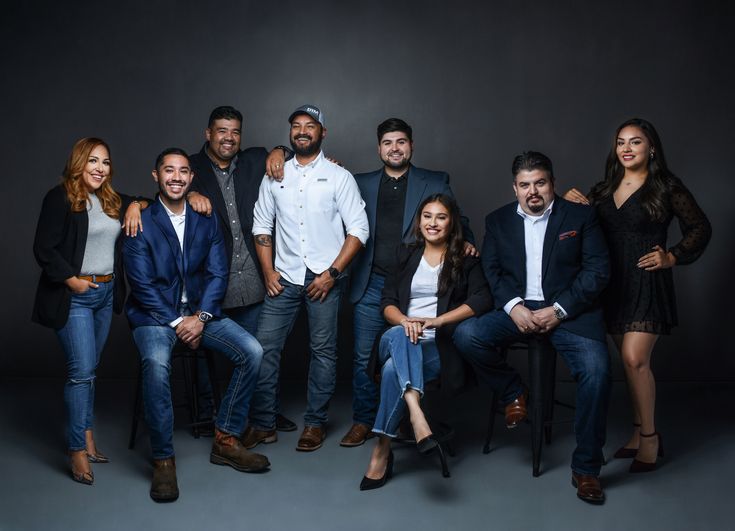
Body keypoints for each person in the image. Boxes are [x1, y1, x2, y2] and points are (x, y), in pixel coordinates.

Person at [453, 151, 611, 504]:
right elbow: (492, 271)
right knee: (466, 335)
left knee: (598, 371)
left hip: (571, 312)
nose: (533, 191)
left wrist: (559, 310)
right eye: (525, 185)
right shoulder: (497, 221)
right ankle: (513, 392)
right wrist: (513, 307)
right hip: (519, 310)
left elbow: (597, 272)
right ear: (515, 188)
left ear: (552, 183)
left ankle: (586, 468)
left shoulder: (581, 217)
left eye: (540, 183)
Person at [564, 118, 711, 472]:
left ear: (652, 148)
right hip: (611, 285)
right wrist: (569, 203)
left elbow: (701, 227)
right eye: (621, 142)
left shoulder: (666, 186)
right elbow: (579, 231)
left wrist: (672, 256)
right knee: (628, 367)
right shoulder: (603, 189)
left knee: (635, 359)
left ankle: (650, 438)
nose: (627, 149)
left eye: (636, 142)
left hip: (646, 281)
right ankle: (636, 432)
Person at [123, 148, 269, 503]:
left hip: (201, 314)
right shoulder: (141, 219)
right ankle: (163, 459)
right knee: (157, 365)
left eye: (184, 171)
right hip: (154, 317)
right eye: (169, 171)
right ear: (155, 176)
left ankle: (226, 439)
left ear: (191, 178)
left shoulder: (206, 217)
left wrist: (201, 318)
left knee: (252, 351)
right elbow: (141, 285)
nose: (176, 177)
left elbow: (218, 274)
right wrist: (178, 321)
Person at [342, 118, 477, 448]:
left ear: (411, 146)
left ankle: (400, 422)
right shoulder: (358, 182)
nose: (395, 148)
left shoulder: (434, 180)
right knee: (364, 357)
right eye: (388, 143)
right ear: (379, 148)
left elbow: (457, 219)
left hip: (414, 284)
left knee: (404, 352)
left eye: (401, 141)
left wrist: (468, 242)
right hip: (371, 281)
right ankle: (363, 420)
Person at [245, 104, 369, 452]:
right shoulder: (275, 175)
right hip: (283, 276)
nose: (302, 131)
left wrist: (332, 274)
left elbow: (359, 229)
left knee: (323, 352)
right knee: (263, 349)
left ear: (322, 133)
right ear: (290, 133)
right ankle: (264, 423)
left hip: (323, 279)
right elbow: (261, 225)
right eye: (296, 125)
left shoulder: (339, 176)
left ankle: (314, 424)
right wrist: (269, 270)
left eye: (310, 126)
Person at [32, 137, 147, 485]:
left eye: (106, 162)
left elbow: (148, 199)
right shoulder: (61, 197)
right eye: (93, 161)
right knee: (81, 371)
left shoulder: (111, 199)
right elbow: (44, 248)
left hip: (106, 293)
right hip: (76, 296)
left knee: (91, 369)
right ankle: (76, 448)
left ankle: (87, 435)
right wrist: (71, 281)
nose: (100, 168)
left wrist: (135, 205)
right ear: (79, 163)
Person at [360, 194, 492, 490]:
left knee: (394, 371)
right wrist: (406, 321)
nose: (433, 223)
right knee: (398, 334)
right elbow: (388, 302)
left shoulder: (464, 257)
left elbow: (482, 299)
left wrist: (437, 321)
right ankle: (418, 416)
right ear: (419, 222)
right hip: (397, 338)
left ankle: (382, 449)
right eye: (427, 216)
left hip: (438, 347)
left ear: (451, 222)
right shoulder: (404, 255)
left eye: (441, 217)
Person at [186, 105, 297, 433]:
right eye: (222, 130)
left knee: (261, 351)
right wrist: (190, 192)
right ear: (208, 134)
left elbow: (294, 154)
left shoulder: (254, 159)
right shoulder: (190, 167)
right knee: (207, 355)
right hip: (210, 282)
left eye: (234, 131)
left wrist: (280, 150)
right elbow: (164, 193)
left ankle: (264, 413)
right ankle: (208, 415)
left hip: (253, 277)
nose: (228, 138)